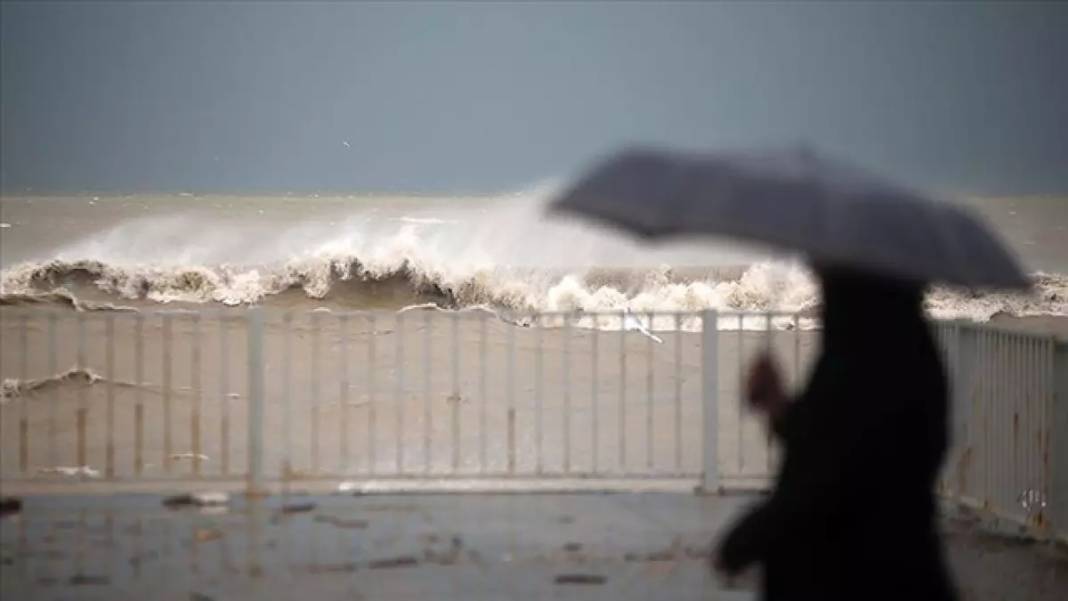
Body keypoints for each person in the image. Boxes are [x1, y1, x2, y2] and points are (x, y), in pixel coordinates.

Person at [713, 266, 957, 600]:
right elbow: (830, 437)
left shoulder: (863, 360)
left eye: (828, 282)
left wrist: (747, 539)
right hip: (901, 569)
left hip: (854, 577)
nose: (821, 297)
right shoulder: (905, 350)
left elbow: (831, 480)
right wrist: (777, 404)